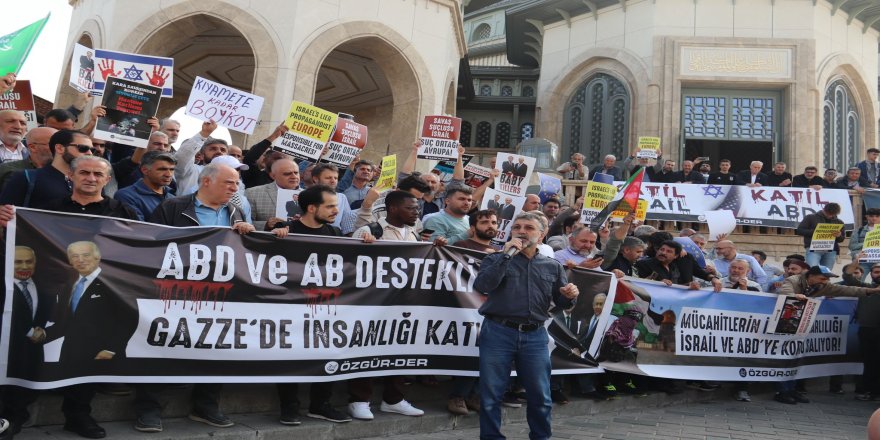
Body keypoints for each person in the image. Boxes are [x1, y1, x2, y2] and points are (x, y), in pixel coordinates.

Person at [140, 163, 255, 432]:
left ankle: (206, 406)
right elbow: (152, 243)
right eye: (229, 182)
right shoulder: (173, 207)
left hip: (220, 295)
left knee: (216, 349)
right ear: (206, 181)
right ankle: (148, 409)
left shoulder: (235, 212)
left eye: (236, 183)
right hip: (175, 292)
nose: (234, 188)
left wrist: (248, 235)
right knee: (161, 348)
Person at [474, 211, 579, 440]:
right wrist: (506, 256)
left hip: (535, 336)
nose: (522, 231)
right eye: (517, 227)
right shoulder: (495, 259)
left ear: (541, 235)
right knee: (491, 394)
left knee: (540, 396)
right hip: (498, 332)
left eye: (529, 228)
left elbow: (560, 302)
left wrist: (569, 295)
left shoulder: (552, 266)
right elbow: (483, 285)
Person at [271, 185, 367, 424]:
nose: (337, 210)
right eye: (330, 206)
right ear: (312, 208)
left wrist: (367, 243)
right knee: (290, 356)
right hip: (290, 308)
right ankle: (289, 407)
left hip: (326, 307)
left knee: (328, 352)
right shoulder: (286, 229)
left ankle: (320, 404)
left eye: (337, 205)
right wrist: (274, 234)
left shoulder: (334, 232)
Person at [347, 191, 424, 419]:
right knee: (366, 349)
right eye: (411, 208)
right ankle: (359, 399)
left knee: (400, 349)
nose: (416, 212)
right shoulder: (369, 231)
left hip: (403, 305)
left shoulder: (415, 235)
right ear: (393, 208)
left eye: (417, 208)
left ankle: (394, 399)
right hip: (371, 304)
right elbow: (348, 265)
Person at [1, 247, 54, 434]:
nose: (24, 266)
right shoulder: (3, 284)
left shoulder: (44, 287)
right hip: (6, 353)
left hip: (31, 357)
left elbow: (56, 316)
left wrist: (44, 332)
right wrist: (29, 331)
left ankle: (16, 418)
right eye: (17, 262)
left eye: (29, 261)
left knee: (25, 393)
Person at [0, 129, 95, 208]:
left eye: (92, 150)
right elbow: (7, 218)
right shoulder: (25, 177)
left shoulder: (93, 181)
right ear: (59, 148)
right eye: (83, 148)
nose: (89, 153)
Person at [113, 151, 177, 221]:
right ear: (144, 170)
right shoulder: (126, 196)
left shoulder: (173, 198)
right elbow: (138, 228)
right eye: (162, 169)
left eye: (172, 169)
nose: (168, 174)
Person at [245, 157, 301, 231]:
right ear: (273, 176)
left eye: (296, 172)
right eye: (287, 174)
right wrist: (266, 224)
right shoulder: (253, 193)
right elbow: (245, 223)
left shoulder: (310, 195)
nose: (294, 176)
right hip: (267, 240)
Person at [0, 126, 56, 191]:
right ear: (33, 147)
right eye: (54, 144)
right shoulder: (9, 170)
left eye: (63, 144)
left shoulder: (66, 170)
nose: (60, 148)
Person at [795, 202, 844, 268]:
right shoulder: (810, 217)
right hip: (814, 249)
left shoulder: (839, 222)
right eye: (828, 213)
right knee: (812, 270)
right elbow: (799, 231)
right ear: (824, 209)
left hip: (830, 250)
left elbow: (842, 239)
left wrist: (839, 236)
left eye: (832, 214)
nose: (830, 216)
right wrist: (816, 232)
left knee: (826, 273)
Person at [849, 208, 880, 280]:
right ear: (867, 217)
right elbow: (852, 246)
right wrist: (867, 243)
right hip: (863, 261)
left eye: (877, 216)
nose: (874, 218)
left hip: (878, 260)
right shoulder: (859, 230)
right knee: (858, 281)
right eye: (871, 216)